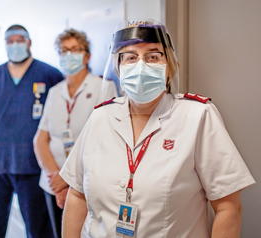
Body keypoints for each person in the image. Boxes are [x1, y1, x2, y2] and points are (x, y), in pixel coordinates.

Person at [59, 19, 256, 237]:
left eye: (153, 56)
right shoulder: (100, 117)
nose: (141, 66)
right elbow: (77, 195)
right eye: (131, 57)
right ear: (118, 66)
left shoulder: (198, 116)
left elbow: (228, 207)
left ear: (169, 65)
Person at [0, 24, 64, 238]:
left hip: (32, 164)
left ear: (29, 42)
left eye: (20, 39)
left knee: (38, 228)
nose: (15, 44)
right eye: (10, 40)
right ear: (5, 44)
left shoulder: (50, 74)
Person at [33, 29, 117, 238]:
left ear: (87, 56)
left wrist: (68, 180)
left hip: (85, 185)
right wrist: (57, 179)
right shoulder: (54, 92)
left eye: (75, 49)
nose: (68, 55)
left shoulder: (104, 88)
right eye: (63, 51)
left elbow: (105, 142)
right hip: (53, 184)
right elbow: (40, 141)